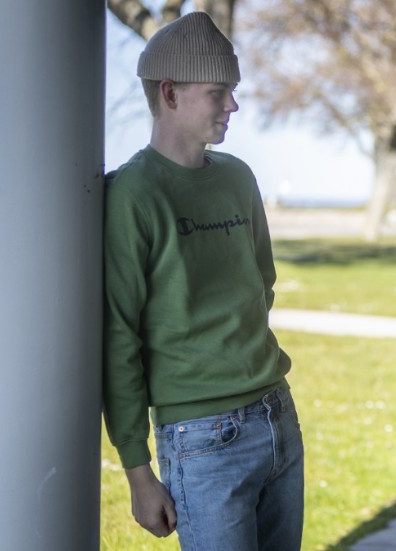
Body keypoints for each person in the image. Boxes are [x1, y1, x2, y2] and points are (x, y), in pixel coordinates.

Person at [103, 12, 304, 550]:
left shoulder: (238, 176)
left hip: (277, 414)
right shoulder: (132, 194)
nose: (233, 106)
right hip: (202, 439)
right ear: (169, 93)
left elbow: (262, 281)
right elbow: (119, 334)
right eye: (219, 93)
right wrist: (138, 470)